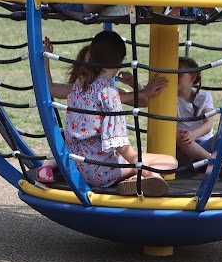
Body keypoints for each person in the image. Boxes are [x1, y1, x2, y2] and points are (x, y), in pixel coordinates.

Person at [36, 36, 169, 184]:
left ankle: (135, 178)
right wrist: (144, 169)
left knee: (148, 160)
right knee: (169, 162)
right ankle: (137, 179)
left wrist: (45, 58)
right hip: (102, 171)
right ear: (120, 61)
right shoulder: (109, 93)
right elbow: (118, 143)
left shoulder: (78, 87)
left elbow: (51, 88)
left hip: (77, 165)